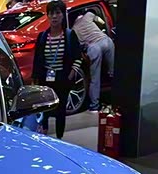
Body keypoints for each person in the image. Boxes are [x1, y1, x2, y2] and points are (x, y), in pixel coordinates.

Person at [32, 0, 81, 139]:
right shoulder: (42, 36)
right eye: (51, 13)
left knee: (60, 110)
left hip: (62, 78)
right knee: (45, 109)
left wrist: (71, 73)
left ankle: (59, 138)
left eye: (58, 13)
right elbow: (37, 59)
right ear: (47, 15)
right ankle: (44, 135)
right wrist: (35, 78)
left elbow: (78, 57)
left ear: (63, 15)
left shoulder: (70, 35)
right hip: (45, 79)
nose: (54, 16)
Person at [73, 10, 114, 112]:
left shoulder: (73, 30)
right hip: (106, 41)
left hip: (93, 47)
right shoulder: (87, 16)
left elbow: (79, 47)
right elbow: (100, 20)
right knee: (114, 73)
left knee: (95, 79)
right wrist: (102, 24)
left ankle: (94, 105)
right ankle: (117, 101)